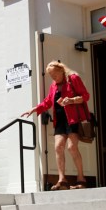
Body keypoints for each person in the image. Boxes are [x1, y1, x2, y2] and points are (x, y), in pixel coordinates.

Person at [22, 60, 90, 190]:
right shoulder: (54, 85)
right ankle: (62, 180)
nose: (54, 78)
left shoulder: (73, 78)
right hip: (59, 120)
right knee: (58, 147)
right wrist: (35, 108)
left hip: (73, 119)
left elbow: (85, 96)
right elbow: (48, 101)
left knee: (72, 148)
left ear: (61, 70)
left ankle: (81, 179)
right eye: (51, 76)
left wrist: (72, 100)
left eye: (55, 75)